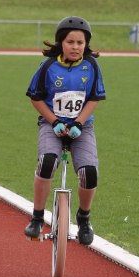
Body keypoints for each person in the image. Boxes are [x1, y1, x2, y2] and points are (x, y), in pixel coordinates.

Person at [23, 16, 106, 245]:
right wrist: (54, 122)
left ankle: (84, 218)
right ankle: (37, 217)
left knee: (89, 172)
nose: (75, 47)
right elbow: (36, 98)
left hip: (82, 127)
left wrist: (79, 122)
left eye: (80, 43)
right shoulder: (48, 67)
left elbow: (94, 98)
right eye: (70, 42)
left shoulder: (91, 66)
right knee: (47, 162)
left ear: (86, 44)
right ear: (61, 42)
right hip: (52, 125)